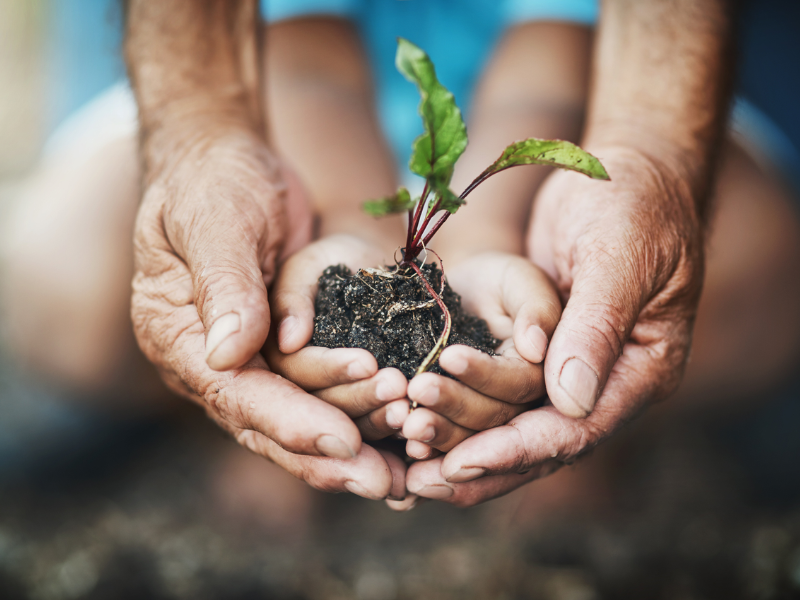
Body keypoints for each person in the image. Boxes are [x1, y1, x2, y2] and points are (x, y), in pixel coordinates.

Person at [3, 0, 799, 511]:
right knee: (76, 278)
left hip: (578, 124)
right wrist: (342, 221)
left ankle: (593, 431)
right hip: (281, 130)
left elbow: (550, 68)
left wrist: (485, 238)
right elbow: (299, 59)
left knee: (747, 273)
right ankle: (230, 420)